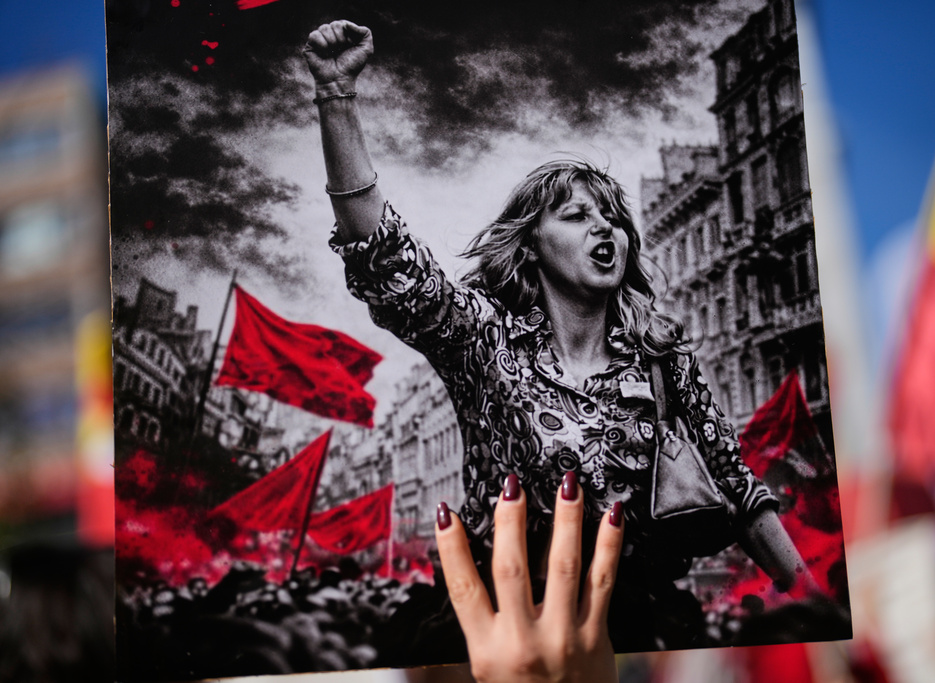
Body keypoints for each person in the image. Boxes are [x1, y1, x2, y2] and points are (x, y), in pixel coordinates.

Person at [304, 18, 814, 675]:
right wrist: (337, 98)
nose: (604, 225)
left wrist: (815, 605)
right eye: (576, 214)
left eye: (613, 218)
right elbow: (387, 261)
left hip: (640, 629)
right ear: (532, 245)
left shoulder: (662, 356)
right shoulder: (484, 342)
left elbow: (739, 490)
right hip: (505, 628)